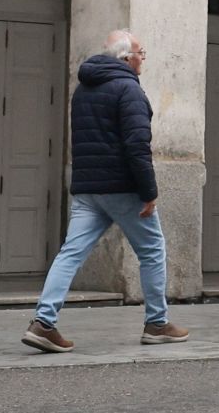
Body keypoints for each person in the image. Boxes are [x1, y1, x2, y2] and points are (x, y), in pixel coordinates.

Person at [22, 30, 191, 354]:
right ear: (126, 58)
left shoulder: (83, 89)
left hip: (88, 188)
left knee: (70, 253)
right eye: (141, 53)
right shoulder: (128, 90)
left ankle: (43, 322)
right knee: (152, 249)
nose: (144, 59)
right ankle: (157, 323)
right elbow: (136, 145)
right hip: (122, 187)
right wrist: (149, 192)